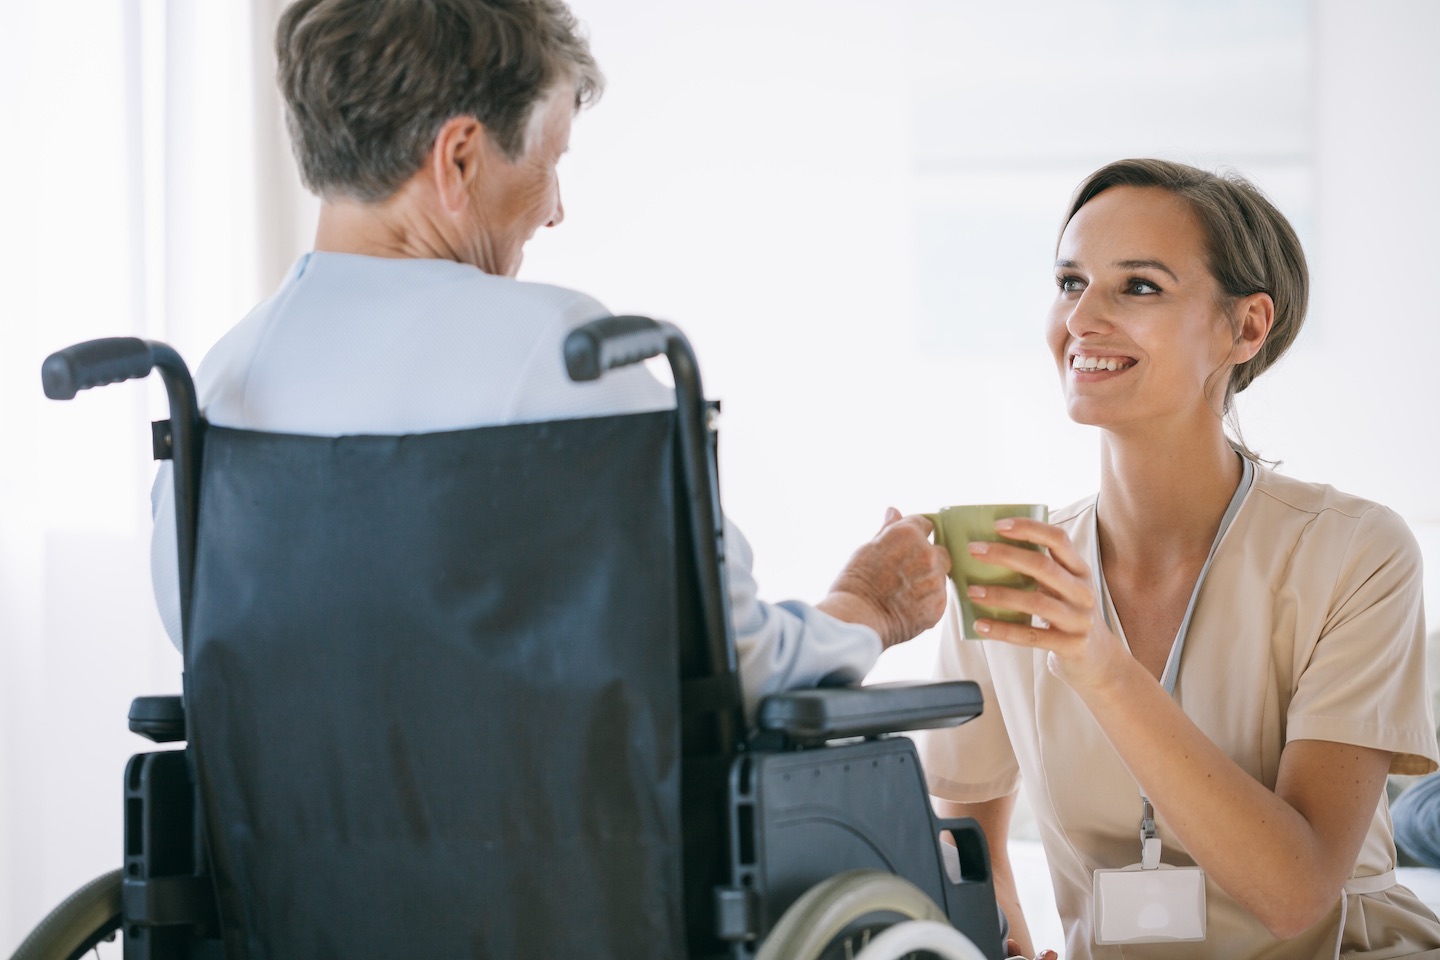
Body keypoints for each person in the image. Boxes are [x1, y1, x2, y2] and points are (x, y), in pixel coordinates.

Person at [148, 0, 950, 723]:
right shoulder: (558, 353)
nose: (557, 208)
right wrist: (863, 607)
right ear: (459, 158)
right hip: (548, 871)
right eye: (550, 159)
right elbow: (730, 660)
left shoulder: (221, 389)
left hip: (292, 880)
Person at [921, 158, 1440, 959]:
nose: (1082, 317)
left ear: (1246, 328)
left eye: (1139, 287)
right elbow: (965, 849)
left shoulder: (1356, 552)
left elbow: (1297, 893)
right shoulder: (1008, 565)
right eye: (1069, 282)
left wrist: (1099, 665)